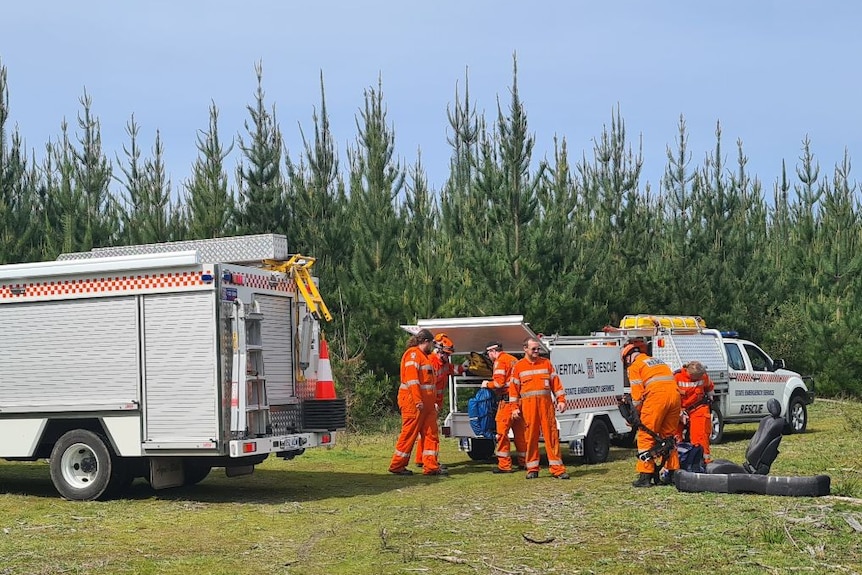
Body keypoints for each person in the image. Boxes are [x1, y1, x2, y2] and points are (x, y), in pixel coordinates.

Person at [507, 337, 570, 479]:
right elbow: (513, 390)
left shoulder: (546, 363)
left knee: (552, 437)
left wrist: (561, 400)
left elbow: (556, 384)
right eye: (533, 349)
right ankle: (532, 469)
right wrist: (514, 408)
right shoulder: (518, 367)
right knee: (530, 438)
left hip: (546, 406)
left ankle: (558, 469)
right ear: (525, 349)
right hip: (528, 408)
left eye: (538, 349)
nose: (536, 351)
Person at [623, 339, 681, 487]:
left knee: (645, 435)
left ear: (628, 358)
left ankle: (645, 476)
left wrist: (633, 417)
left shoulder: (635, 366)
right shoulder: (657, 361)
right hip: (674, 397)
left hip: (657, 398)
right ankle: (674, 473)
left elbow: (637, 397)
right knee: (668, 436)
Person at [389, 328, 446, 476]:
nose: (432, 347)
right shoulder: (413, 355)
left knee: (431, 434)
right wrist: (418, 400)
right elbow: (412, 380)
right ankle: (397, 465)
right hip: (414, 403)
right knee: (409, 434)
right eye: (432, 344)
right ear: (426, 341)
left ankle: (431, 466)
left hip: (426, 405)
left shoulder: (423, 357)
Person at [414, 333, 467, 468]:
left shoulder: (443, 363)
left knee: (426, 432)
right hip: (429, 403)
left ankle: (422, 459)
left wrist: (465, 367)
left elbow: (453, 369)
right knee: (430, 433)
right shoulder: (431, 362)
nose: (448, 357)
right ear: (438, 350)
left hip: (434, 403)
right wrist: (433, 403)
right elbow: (426, 385)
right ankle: (429, 461)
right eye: (446, 354)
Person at [481, 341, 526, 473]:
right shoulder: (513, 359)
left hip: (506, 403)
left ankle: (504, 465)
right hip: (519, 401)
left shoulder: (500, 362)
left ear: (493, 351)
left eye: (488, 353)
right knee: (521, 434)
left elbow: (499, 383)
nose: (489, 356)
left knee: (501, 433)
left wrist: (487, 384)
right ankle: (526, 462)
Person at [675, 360, 715, 463]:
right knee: (674, 435)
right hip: (679, 408)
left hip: (698, 407)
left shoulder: (703, 376)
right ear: (689, 373)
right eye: (696, 377)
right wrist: (679, 412)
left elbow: (709, 388)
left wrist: (711, 399)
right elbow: (672, 395)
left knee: (700, 435)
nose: (698, 379)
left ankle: (702, 460)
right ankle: (675, 461)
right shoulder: (677, 377)